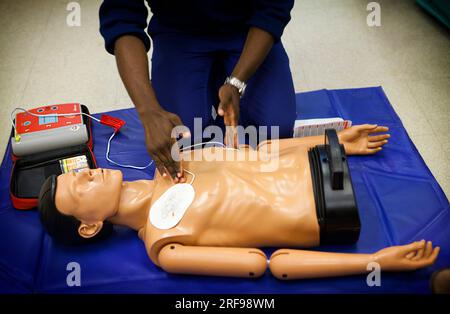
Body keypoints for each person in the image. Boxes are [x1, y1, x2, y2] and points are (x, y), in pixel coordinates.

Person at [38, 124, 440, 279]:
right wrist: (375, 262)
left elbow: (260, 152)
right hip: (326, 209)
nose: (89, 172)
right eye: (81, 187)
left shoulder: (171, 161)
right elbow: (270, 265)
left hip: (319, 160)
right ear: (89, 225)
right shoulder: (163, 244)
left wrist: (332, 142)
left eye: (80, 171)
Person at [99, 0, 296, 183]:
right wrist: (148, 110)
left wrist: (237, 82)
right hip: (179, 32)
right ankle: (210, 81)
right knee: (181, 140)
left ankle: (222, 75)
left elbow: (274, 6)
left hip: (248, 27)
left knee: (276, 128)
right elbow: (121, 15)